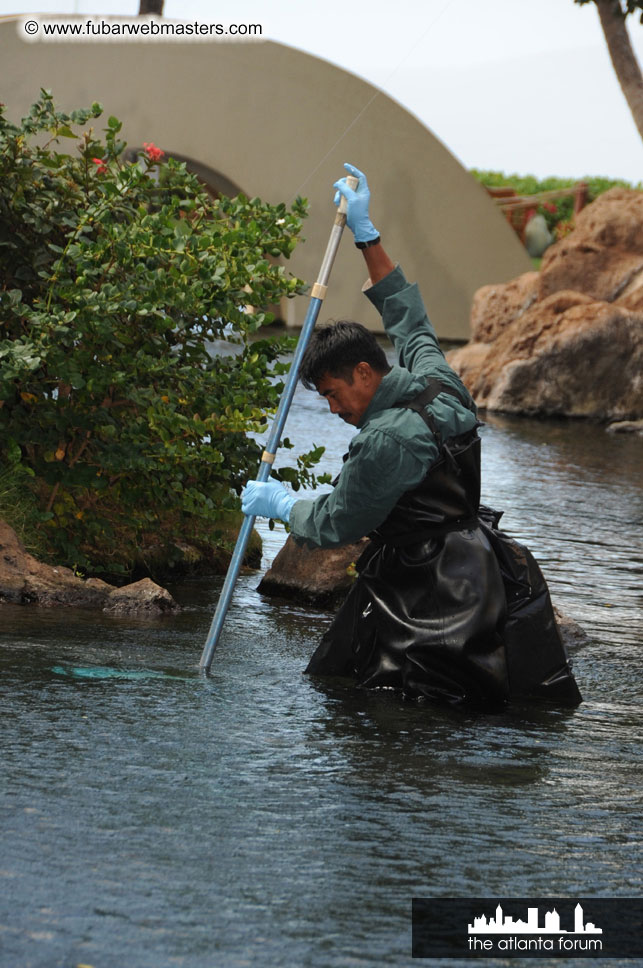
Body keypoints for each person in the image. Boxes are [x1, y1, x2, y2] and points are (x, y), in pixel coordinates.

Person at [242, 163, 582, 708]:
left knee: (409, 709)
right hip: (481, 562)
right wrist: (366, 234)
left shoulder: (386, 440)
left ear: (363, 373)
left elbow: (337, 523)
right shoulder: (435, 378)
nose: (332, 409)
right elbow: (409, 317)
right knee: (348, 682)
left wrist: (281, 504)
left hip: (429, 589)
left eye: (333, 393)